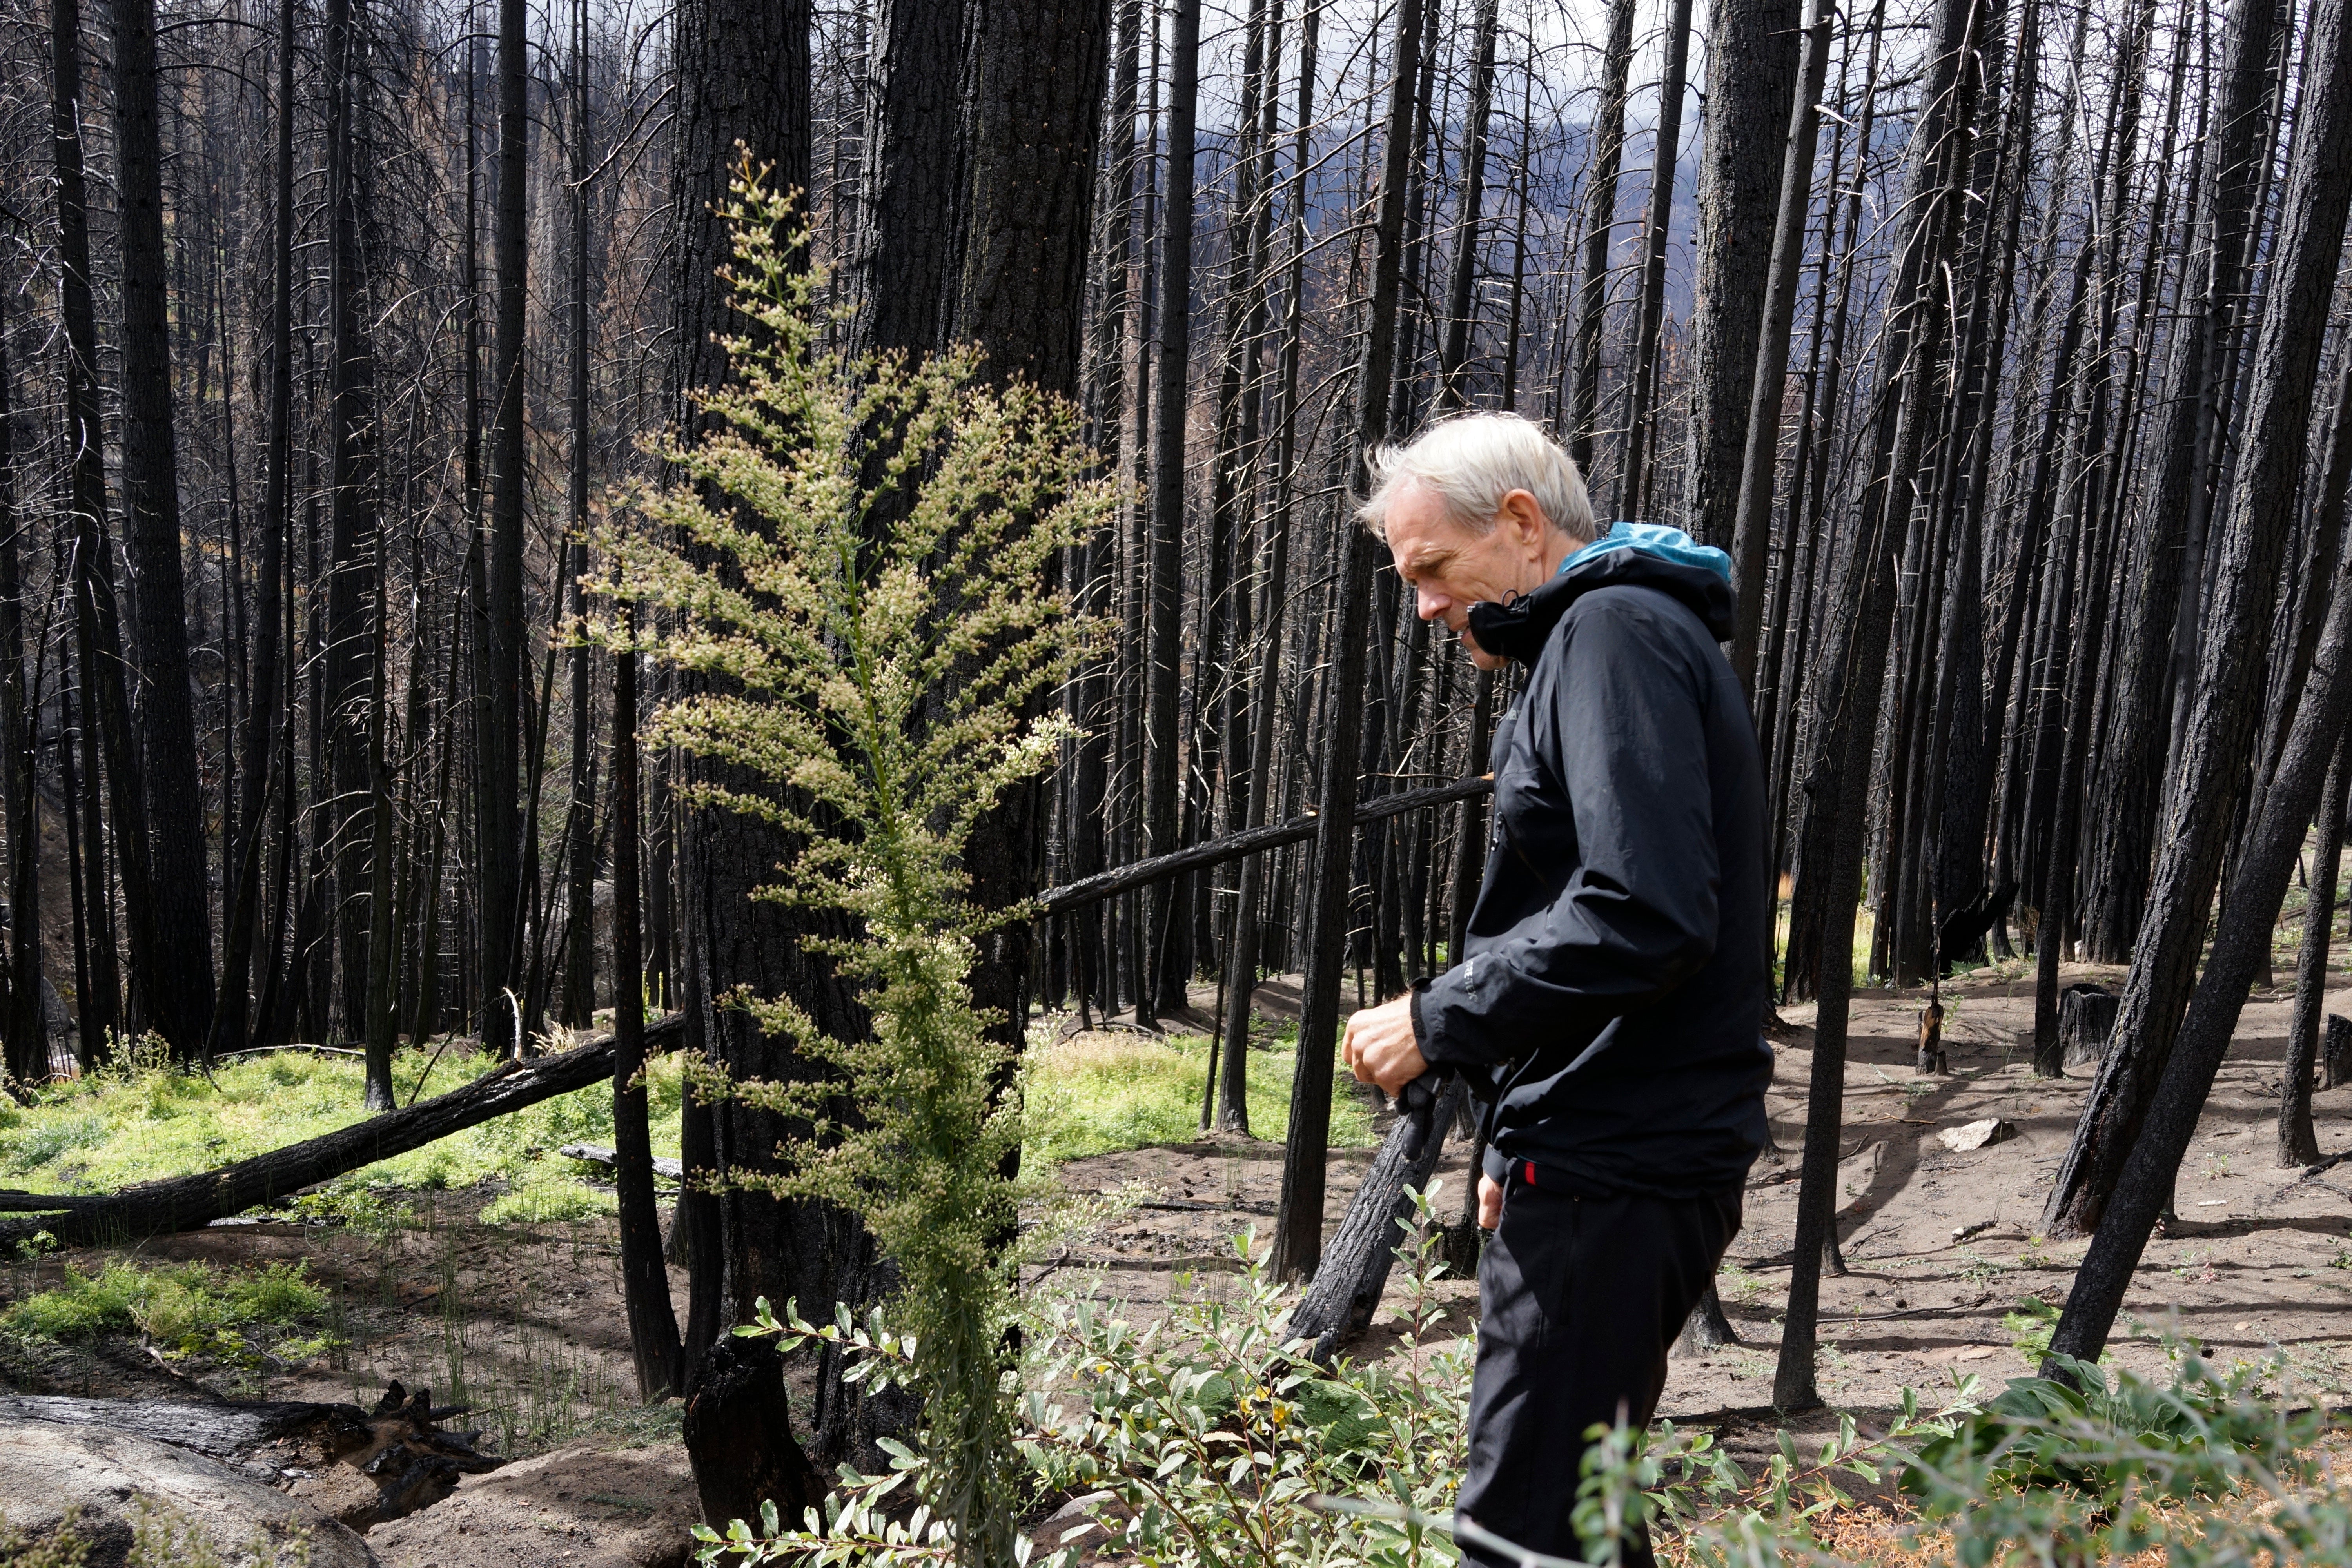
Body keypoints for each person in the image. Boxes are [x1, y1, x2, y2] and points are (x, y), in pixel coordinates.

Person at [1337, 412, 1772, 1568]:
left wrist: (1440, 1019)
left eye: (1433, 569)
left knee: (1520, 1537)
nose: (1424, 606)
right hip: (1603, 1153)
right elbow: (1603, 913)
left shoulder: (1612, 634)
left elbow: (1646, 912)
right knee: (1580, 1524)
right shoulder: (1619, 632)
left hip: (1623, 1164)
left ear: (1522, 524)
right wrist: (1512, 1138)